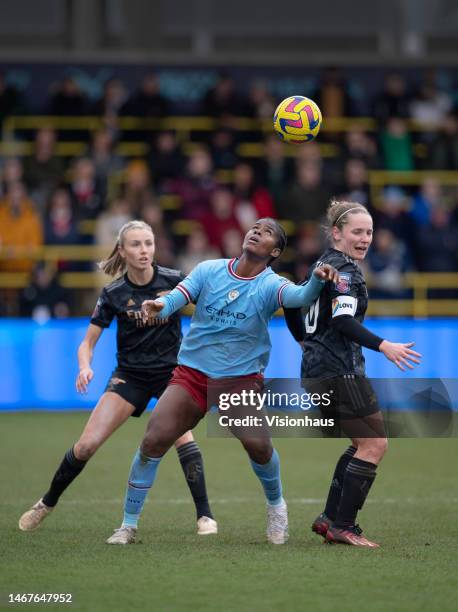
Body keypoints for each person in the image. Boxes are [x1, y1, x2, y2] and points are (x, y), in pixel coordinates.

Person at [106, 218, 339, 545]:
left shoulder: (272, 285)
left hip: (239, 381)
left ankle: (276, 506)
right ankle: (128, 525)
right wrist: (160, 305)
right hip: (192, 374)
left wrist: (316, 281)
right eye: (255, 226)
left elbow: (300, 298)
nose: (257, 230)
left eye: (267, 231)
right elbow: (177, 296)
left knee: (258, 445)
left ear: (274, 251)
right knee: (153, 439)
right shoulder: (209, 269)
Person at [18, 221, 217, 537]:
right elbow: (87, 343)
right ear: (122, 251)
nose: (144, 251)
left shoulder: (175, 280)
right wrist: (85, 367)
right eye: (136, 244)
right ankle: (47, 503)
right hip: (130, 377)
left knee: (182, 437)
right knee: (86, 446)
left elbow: (211, 306)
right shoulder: (113, 293)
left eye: (148, 243)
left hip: (171, 376)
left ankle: (204, 516)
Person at [284, 200, 422, 547]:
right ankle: (343, 526)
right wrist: (384, 345)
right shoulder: (345, 270)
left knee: (361, 443)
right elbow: (344, 321)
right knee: (375, 445)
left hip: (316, 371)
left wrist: (305, 340)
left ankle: (330, 518)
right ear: (336, 233)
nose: (365, 238)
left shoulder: (322, 264)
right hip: (340, 371)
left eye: (369, 232)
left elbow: (291, 302)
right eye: (357, 231)